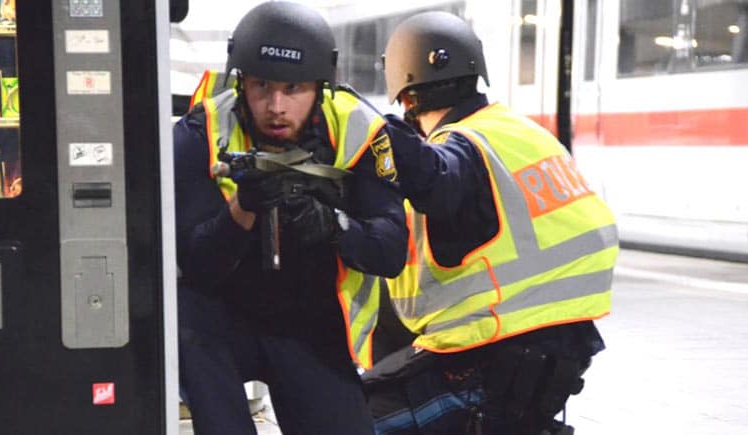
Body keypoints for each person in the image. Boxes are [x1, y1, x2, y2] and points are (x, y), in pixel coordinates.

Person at [362, 11, 620, 435]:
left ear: (406, 98)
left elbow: (440, 179)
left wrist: (373, 135)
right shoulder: (522, 133)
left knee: (346, 419)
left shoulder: (457, 145)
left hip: (486, 361)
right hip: (560, 353)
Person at [173, 2, 408, 434]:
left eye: (293, 89)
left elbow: (390, 251)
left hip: (311, 321)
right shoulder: (200, 132)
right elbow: (195, 266)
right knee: (184, 316)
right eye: (261, 86)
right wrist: (243, 208)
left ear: (321, 87)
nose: (276, 106)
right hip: (222, 320)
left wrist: (330, 225)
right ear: (241, 82)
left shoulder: (362, 132)